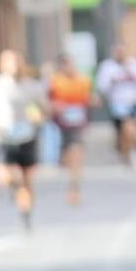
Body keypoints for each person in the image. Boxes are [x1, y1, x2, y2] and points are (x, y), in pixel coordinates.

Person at [0, 51, 46, 230]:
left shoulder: (33, 86)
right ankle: (14, 188)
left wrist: (39, 115)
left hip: (26, 136)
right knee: (4, 176)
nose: (15, 67)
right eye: (11, 63)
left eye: (18, 62)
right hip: (4, 136)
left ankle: (26, 211)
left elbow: (44, 109)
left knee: (27, 179)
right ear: (3, 65)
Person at [96, 43, 136, 169]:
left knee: (132, 130)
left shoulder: (133, 64)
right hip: (117, 104)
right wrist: (112, 81)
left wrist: (131, 72)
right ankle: (125, 153)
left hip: (134, 102)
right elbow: (101, 86)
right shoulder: (108, 66)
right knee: (124, 133)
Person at [48, 56, 93, 206]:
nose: (70, 68)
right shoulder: (55, 82)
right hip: (60, 127)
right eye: (66, 66)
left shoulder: (83, 81)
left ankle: (74, 187)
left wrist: (90, 101)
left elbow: (89, 99)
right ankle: (72, 182)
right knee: (66, 160)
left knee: (76, 155)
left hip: (77, 126)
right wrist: (56, 106)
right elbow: (47, 102)